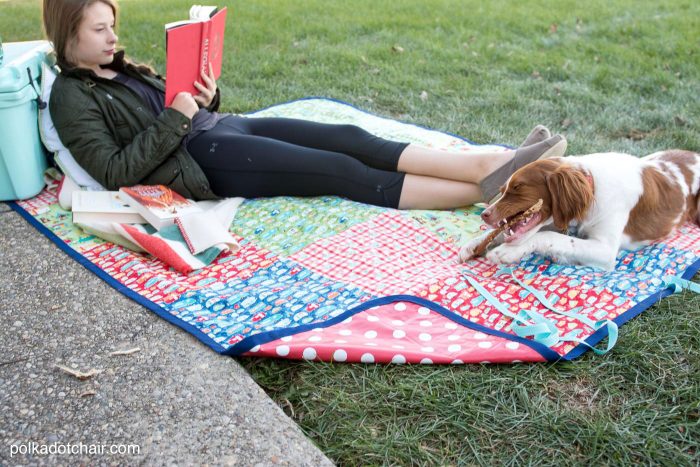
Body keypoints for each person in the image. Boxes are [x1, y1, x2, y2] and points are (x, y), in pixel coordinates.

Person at [42, 0, 567, 211]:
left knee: (349, 137)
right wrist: (179, 115)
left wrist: (201, 97)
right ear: (70, 32)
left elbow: (181, 108)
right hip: (201, 161)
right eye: (100, 28)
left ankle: (486, 163)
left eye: (113, 23)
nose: (114, 35)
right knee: (340, 169)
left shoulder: (118, 68)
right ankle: (486, 192)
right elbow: (113, 171)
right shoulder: (71, 94)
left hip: (220, 128)